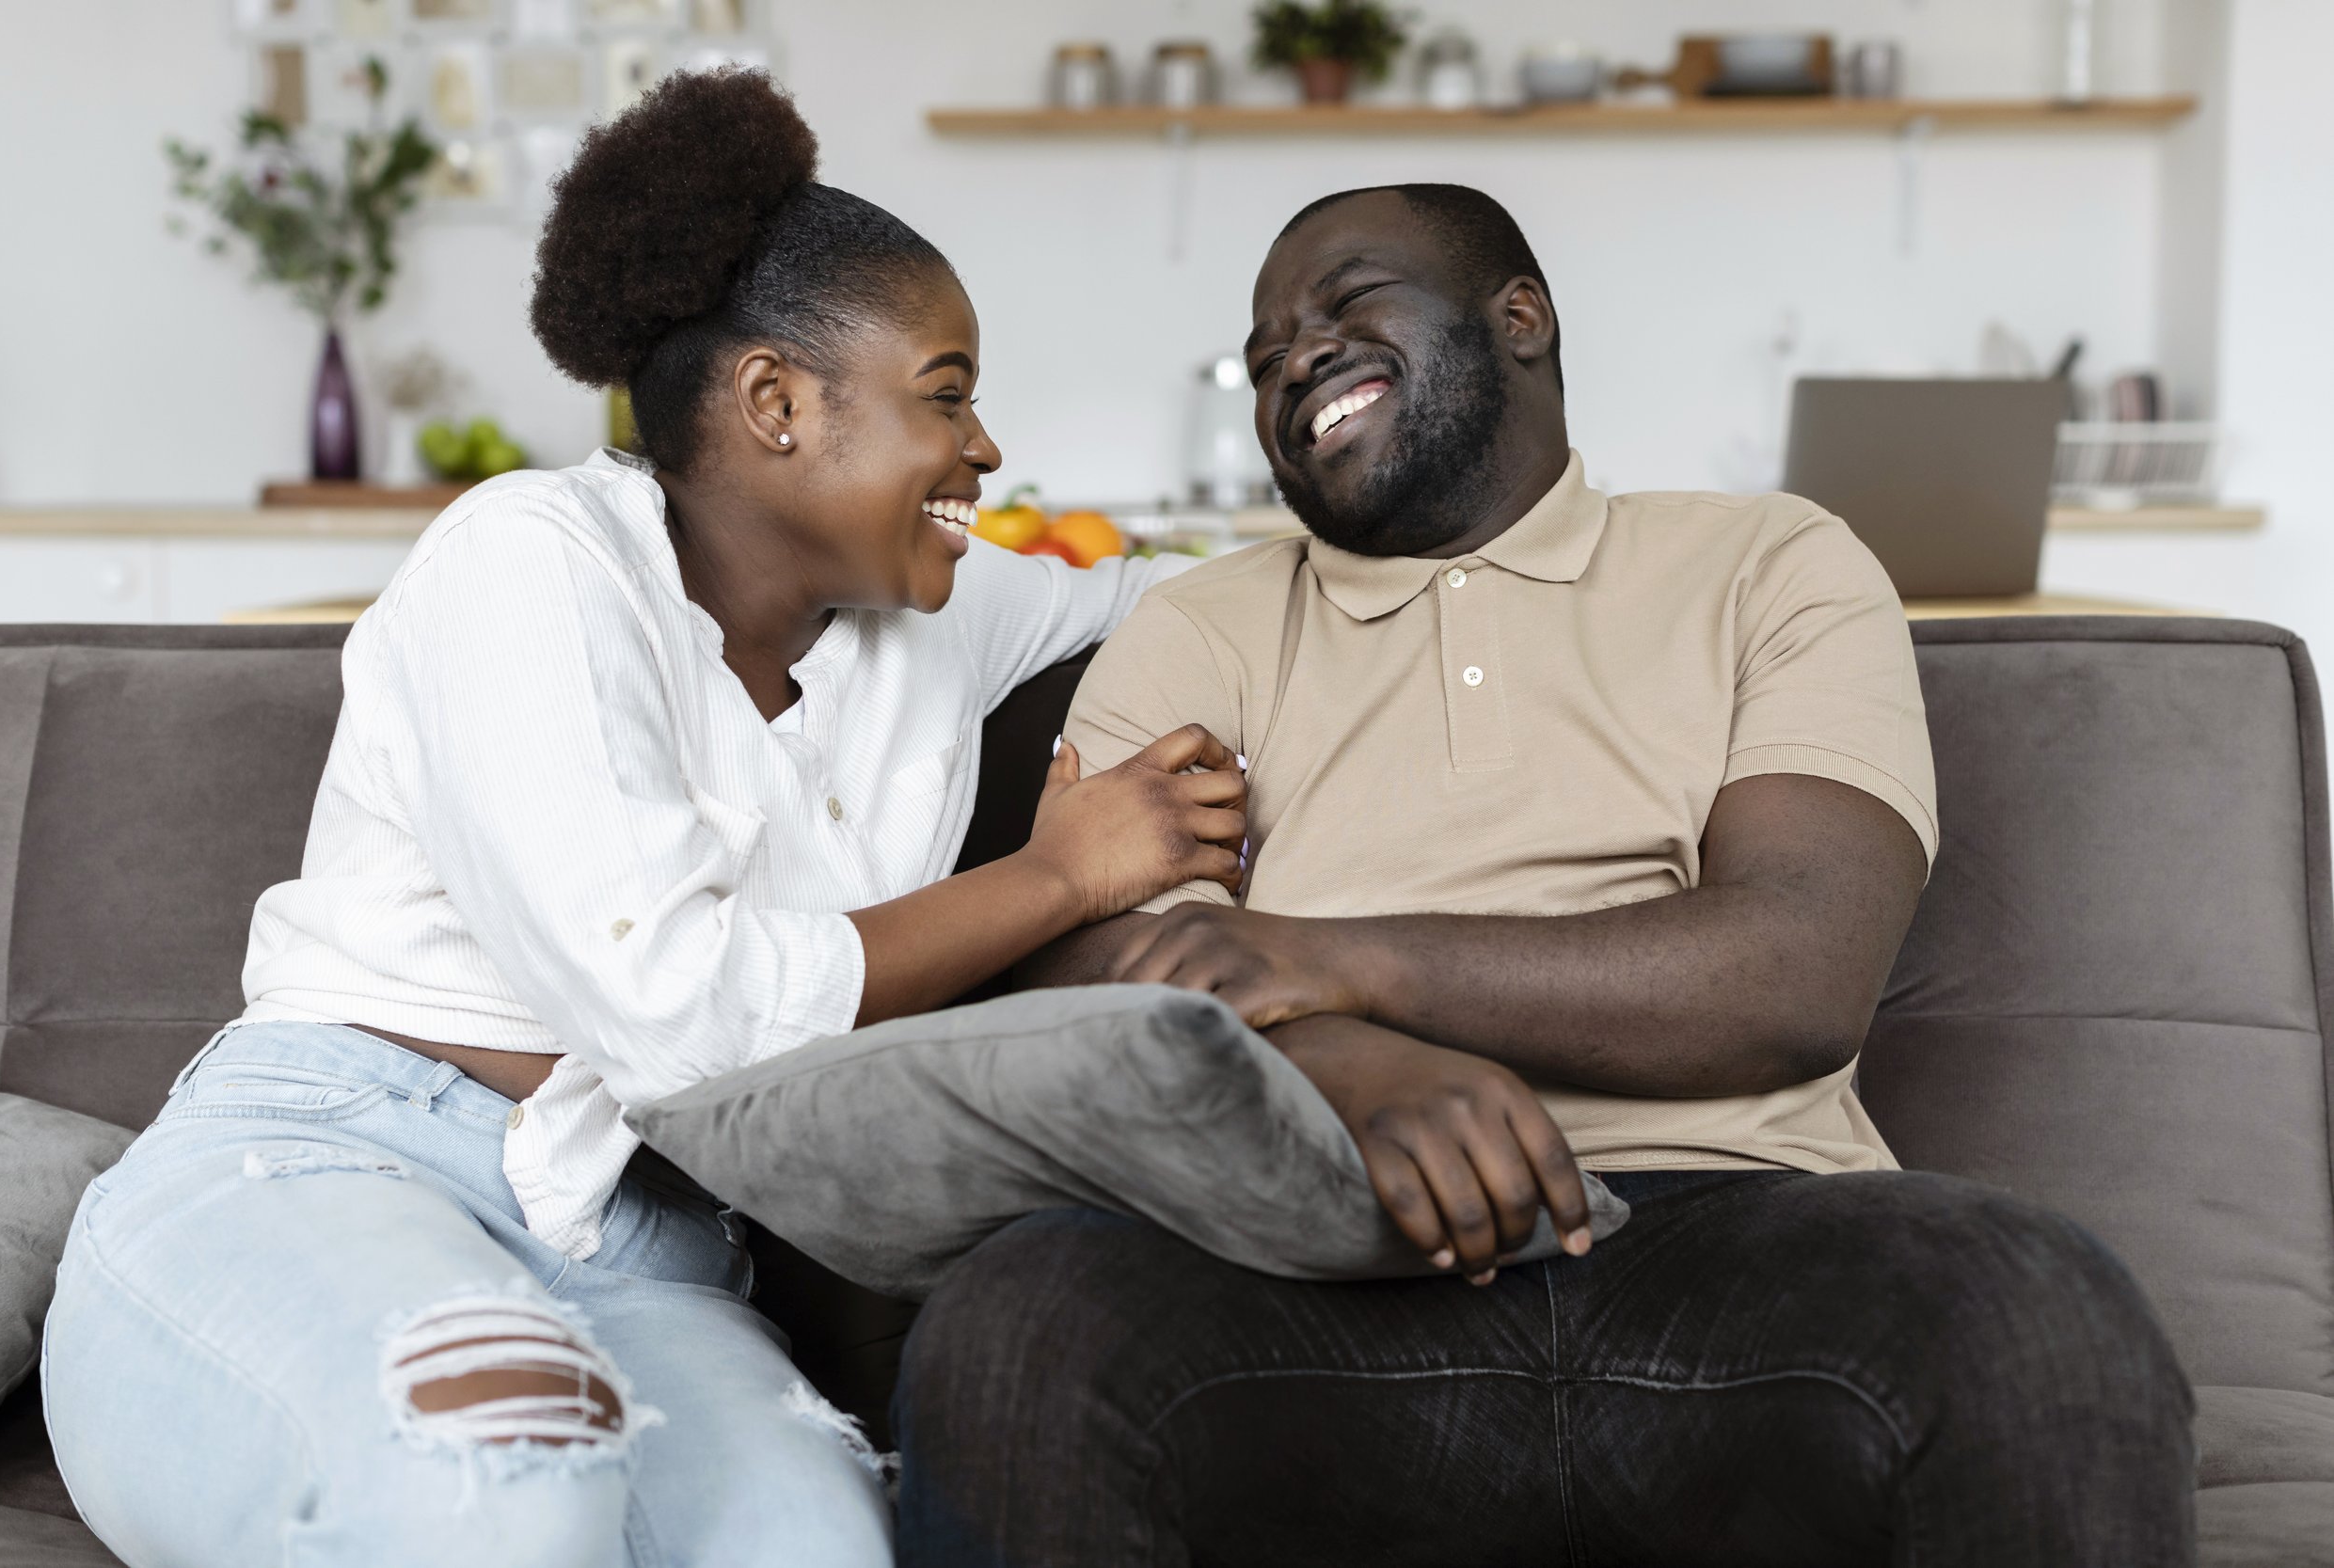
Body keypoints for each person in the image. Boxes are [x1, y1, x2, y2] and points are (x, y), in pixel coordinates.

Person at [40, 71, 1244, 1568]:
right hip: (339, 1163)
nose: (987, 448)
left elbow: (1195, 593)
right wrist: (1059, 876)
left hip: (653, 1249)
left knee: (820, 1552)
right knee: (504, 1488)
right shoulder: (527, 563)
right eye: (947, 393)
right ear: (775, 405)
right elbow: (688, 1016)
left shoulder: (941, 612)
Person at [893, 185, 2196, 1566]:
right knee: (1016, 1325)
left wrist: (1338, 963)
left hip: (1744, 1240)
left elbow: (1797, 969)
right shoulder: (1197, 624)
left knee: (2043, 1311)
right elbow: (1100, 960)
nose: (1295, 362)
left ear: (1521, 316)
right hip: (1313, 1247)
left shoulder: (1773, 563)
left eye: (1344, 307)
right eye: (1267, 357)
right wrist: (1351, 1065)